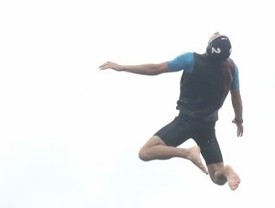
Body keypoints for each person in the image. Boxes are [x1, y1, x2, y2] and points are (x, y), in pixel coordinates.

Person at [100, 32, 243, 190]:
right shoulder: (232, 69)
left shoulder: (191, 60)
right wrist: (239, 120)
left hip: (185, 122)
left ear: (210, 47)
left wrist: (122, 67)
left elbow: (156, 68)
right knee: (218, 178)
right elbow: (236, 98)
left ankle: (187, 153)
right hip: (207, 129)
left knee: (146, 152)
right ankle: (227, 172)